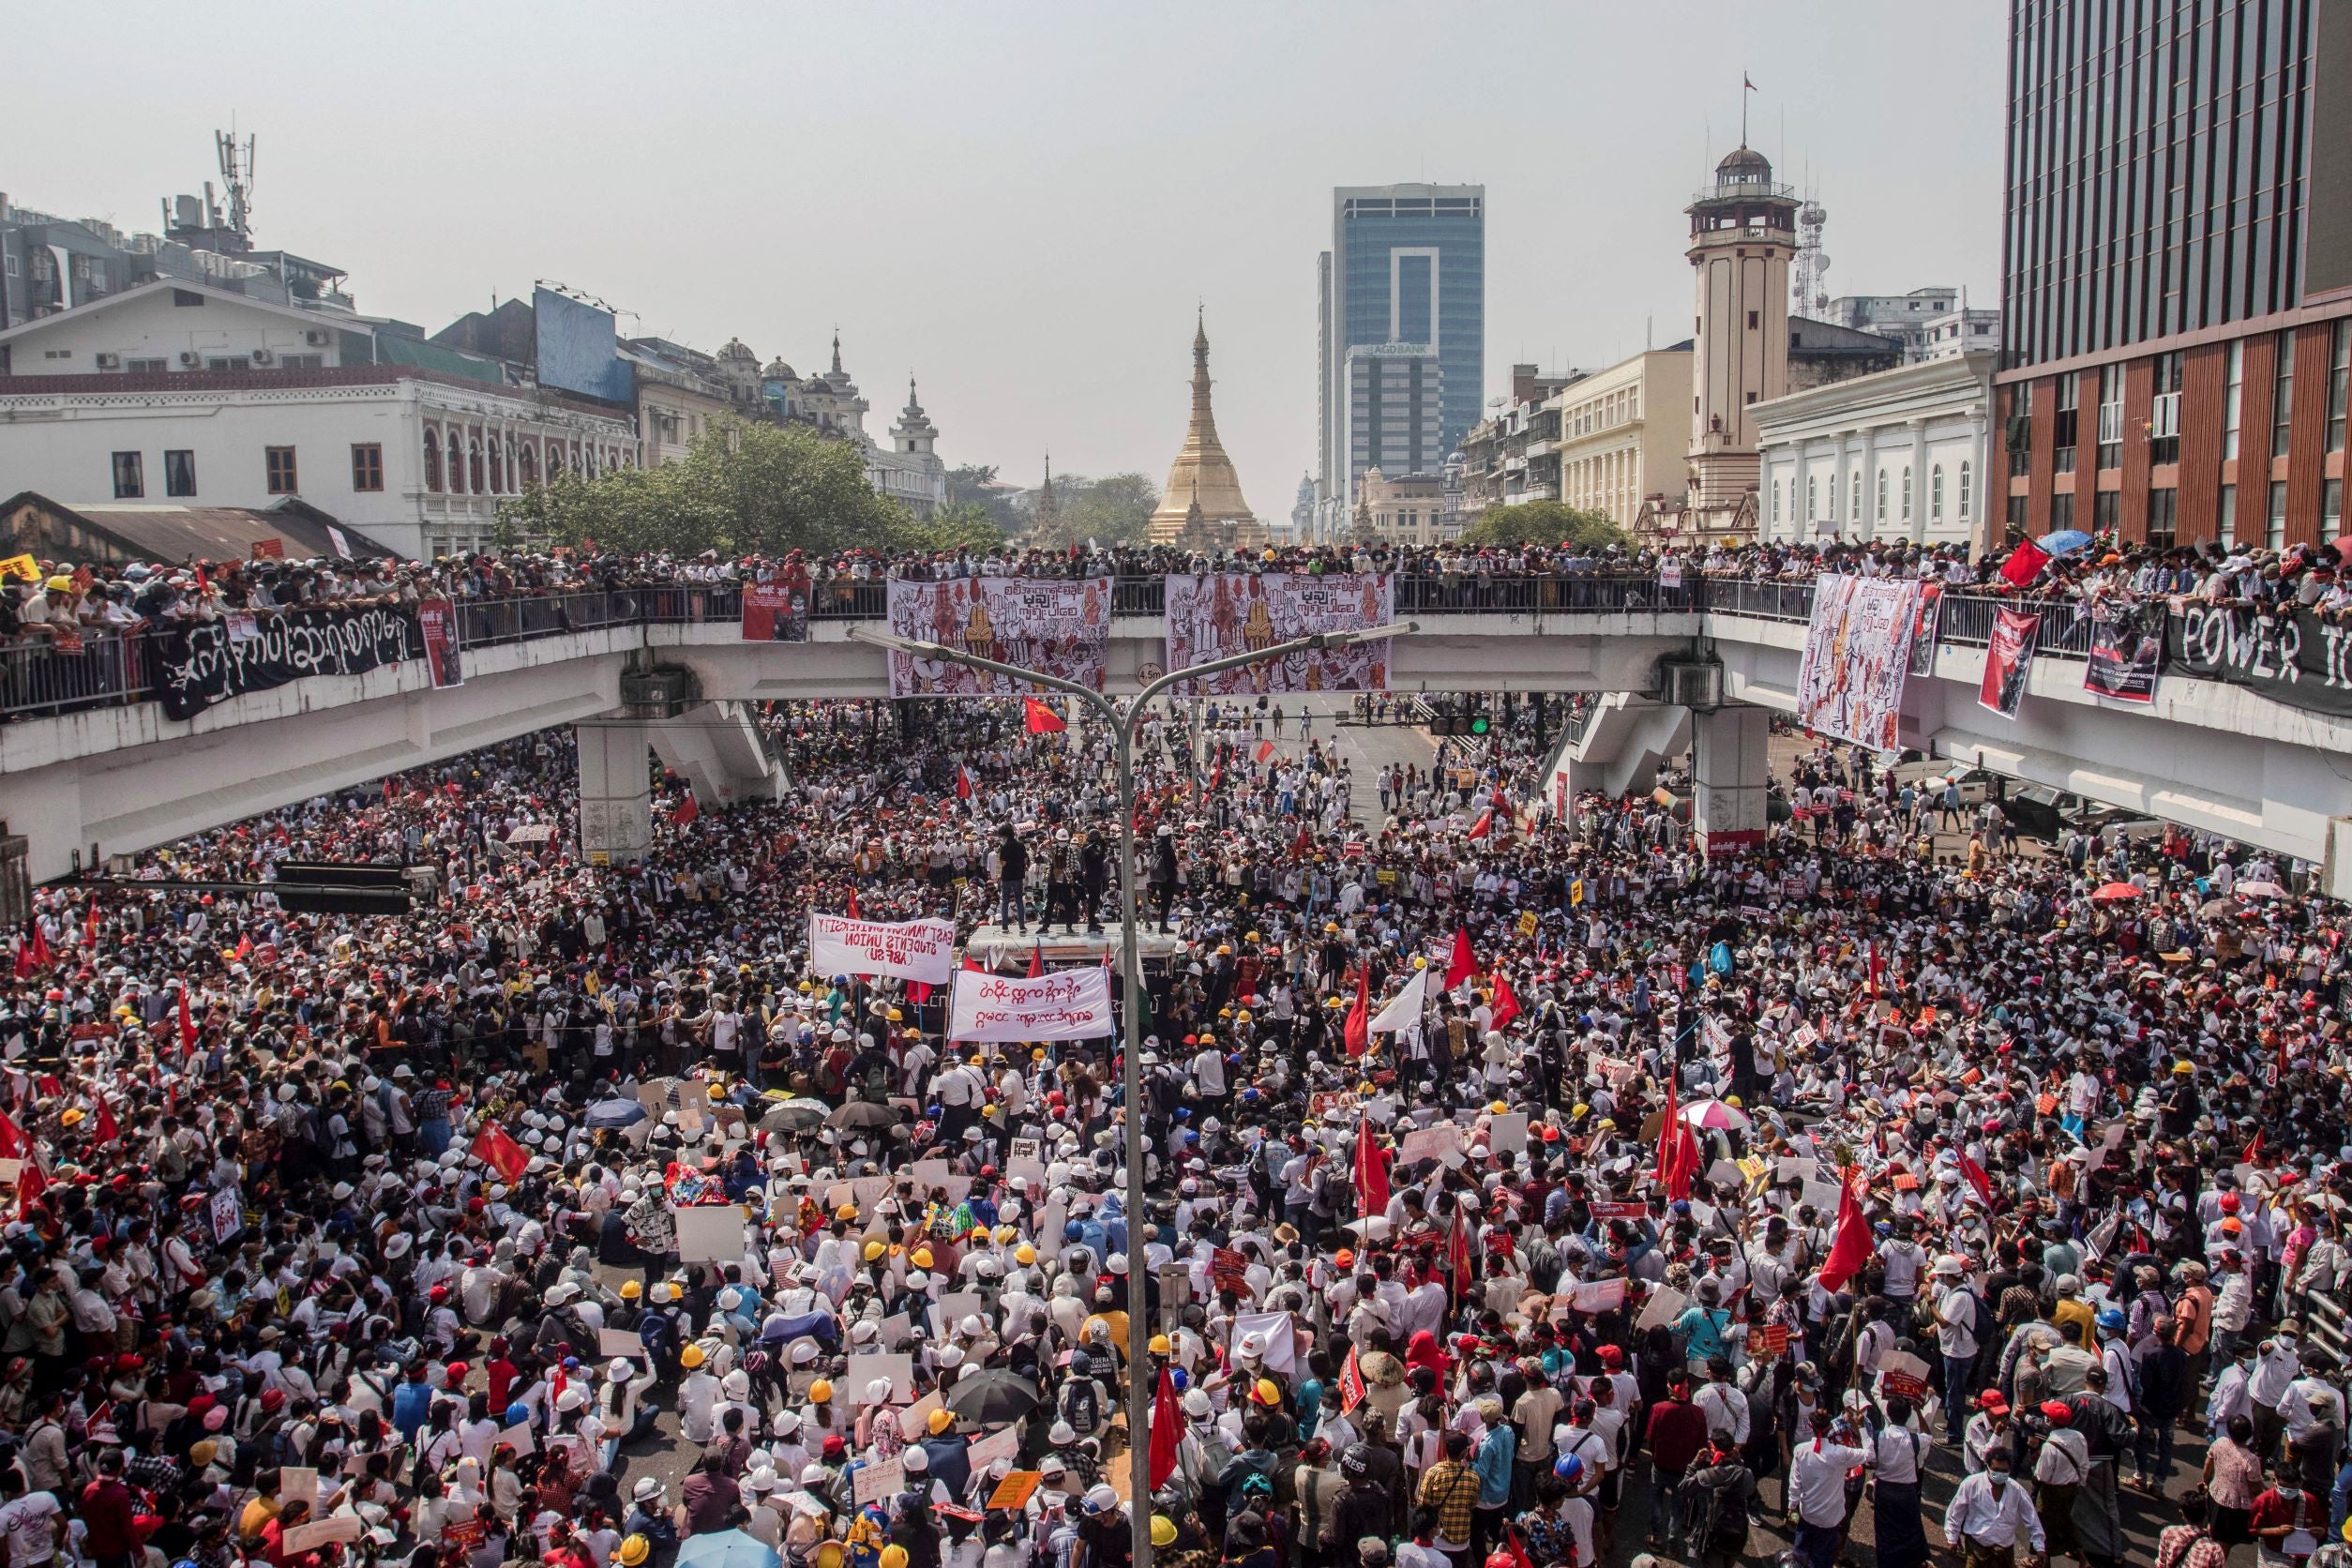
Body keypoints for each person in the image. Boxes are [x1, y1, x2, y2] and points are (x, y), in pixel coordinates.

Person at [1942, 1450, 2047, 1568]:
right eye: (1996, 1470)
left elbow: (2032, 1519)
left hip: (2005, 1552)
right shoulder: (1971, 1484)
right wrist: (1952, 1539)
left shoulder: (2017, 1490)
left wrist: (2039, 1547)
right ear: (1987, 1467)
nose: (2000, 1474)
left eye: (2004, 1471)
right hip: (1977, 1549)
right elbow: (1955, 1513)